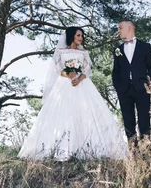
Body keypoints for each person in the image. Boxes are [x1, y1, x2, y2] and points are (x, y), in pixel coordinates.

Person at [18, 26, 129, 161]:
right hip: (64, 84)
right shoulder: (60, 51)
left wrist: (79, 78)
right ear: (71, 36)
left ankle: (89, 149)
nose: (81, 38)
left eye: (82, 36)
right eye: (78, 35)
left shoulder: (84, 53)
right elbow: (57, 67)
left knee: (87, 114)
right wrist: (69, 76)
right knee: (64, 114)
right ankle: (61, 149)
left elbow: (88, 69)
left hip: (82, 84)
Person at [112, 19, 151, 152]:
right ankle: (133, 153)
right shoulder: (118, 50)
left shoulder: (145, 47)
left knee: (144, 121)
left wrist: (150, 84)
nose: (118, 30)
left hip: (142, 89)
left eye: (120, 28)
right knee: (128, 123)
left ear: (129, 28)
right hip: (124, 90)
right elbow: (116, 71)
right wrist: (118, 88)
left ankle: (147, 154)